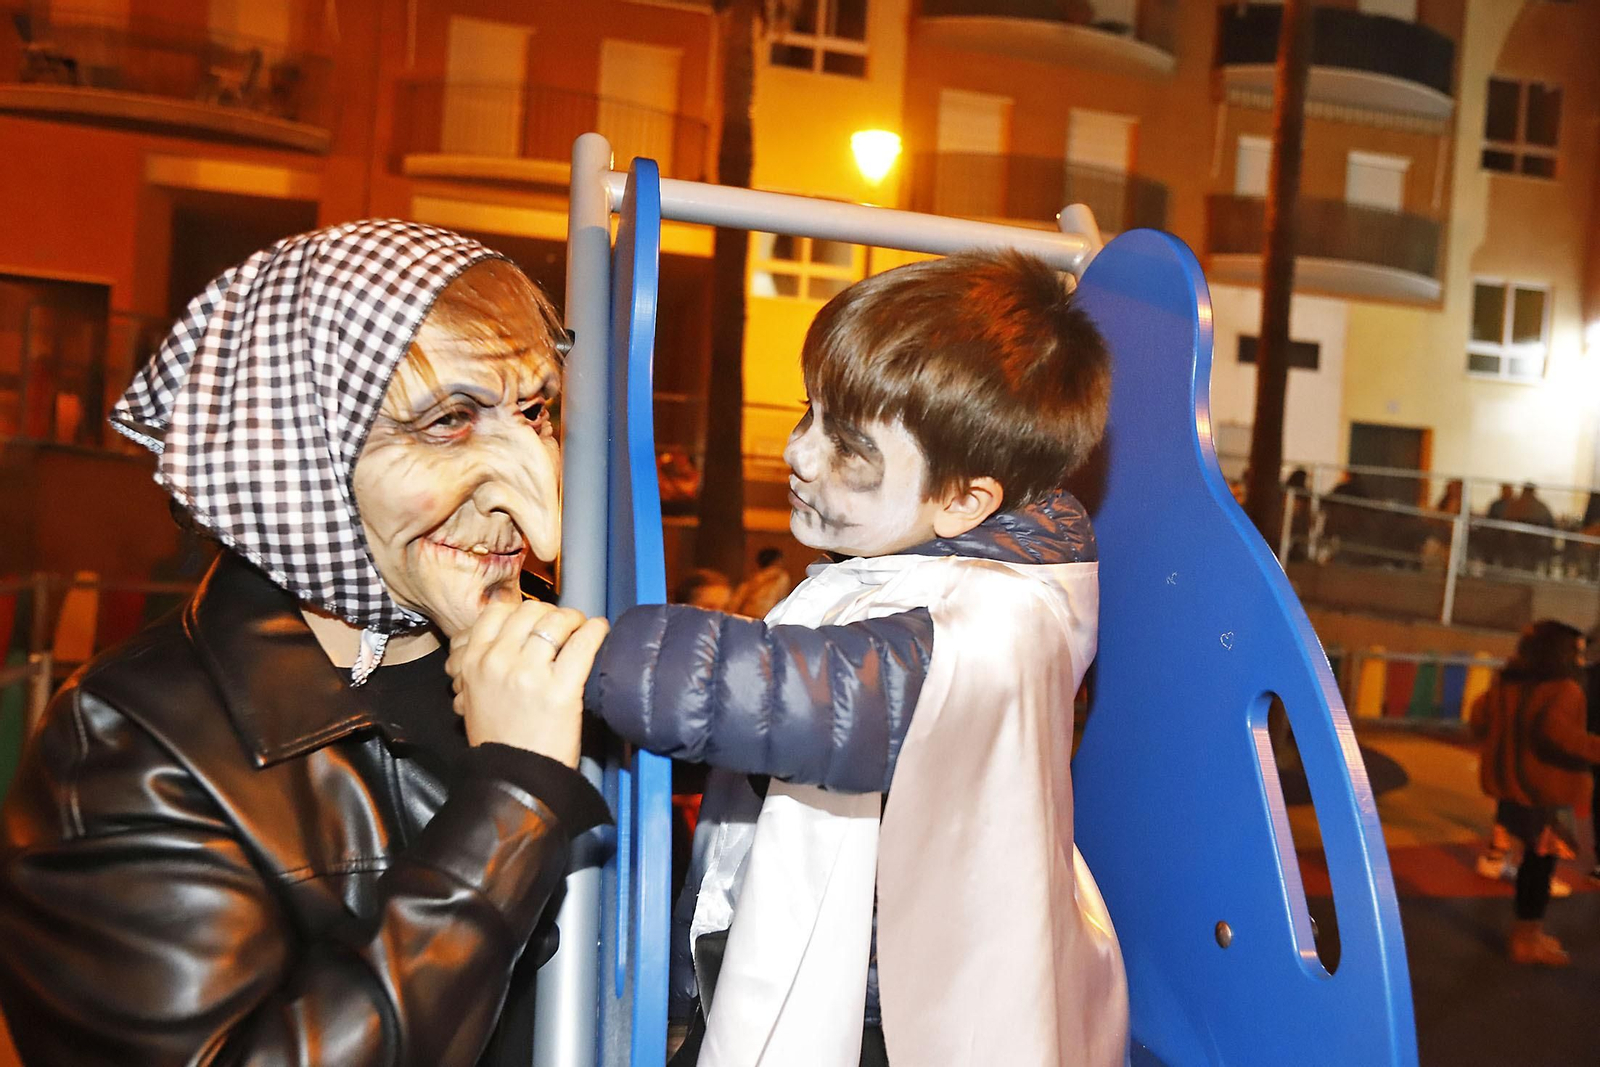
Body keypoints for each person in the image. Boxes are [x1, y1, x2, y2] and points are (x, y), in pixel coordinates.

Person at [454, 250, 1128, 1065]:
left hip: (894, 1013)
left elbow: (806, 698)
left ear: (964, 500)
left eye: (849, 447)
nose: (801, 454)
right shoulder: (914, 563)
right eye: (809, 413)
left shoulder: (992, 619)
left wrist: (582, 653)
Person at [0, 221, 613, 1064]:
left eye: (536, 411)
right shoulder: (130, 746)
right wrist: (513, 798)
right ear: (298, 444)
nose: (539, 517)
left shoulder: (577, 652)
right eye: (448, 420)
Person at [1468, 619, 1600, 966]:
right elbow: (1558, 735)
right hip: (1546, 792)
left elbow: (1478, 719)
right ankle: (1527, 938)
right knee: (1539, 867)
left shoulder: (1507, 683)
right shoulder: (1564, 689)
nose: (1581, 658)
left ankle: (1525, 934)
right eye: (1577, 651)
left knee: (1532, 862)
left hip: (1512, 788)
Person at [726, 546, 792, 617]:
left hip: (746, 614)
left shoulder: (753, 578)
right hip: (766, 615)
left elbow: (737, 600)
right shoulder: (780, 576)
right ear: (776, 560)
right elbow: (781, 600)